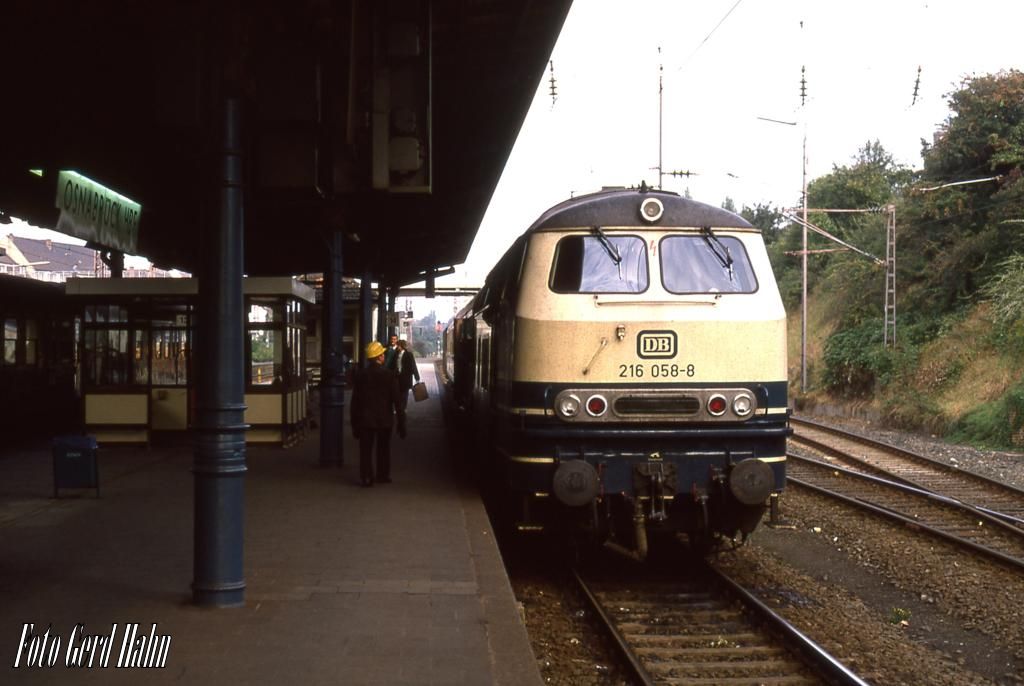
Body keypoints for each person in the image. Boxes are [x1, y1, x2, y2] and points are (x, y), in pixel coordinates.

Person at [350, 340, 403, 487]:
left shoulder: (361, 375)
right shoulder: (389, 375)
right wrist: (401, 422)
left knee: (365, 450)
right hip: (384, 419)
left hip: (365, 420)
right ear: (379, 357)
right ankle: (382, 475)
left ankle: (366, 477)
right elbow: (397, 401)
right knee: (383, 448)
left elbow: (355, 402)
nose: (384, 356)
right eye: (382, 354)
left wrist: (354, 423)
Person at [395, 339, 420, 414]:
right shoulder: (396, 354)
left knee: (404, 394)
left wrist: (417, 377)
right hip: (398, 377)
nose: (397, 347)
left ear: (401, 346)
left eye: (398, 345)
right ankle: (399, 408)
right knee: (398, 394)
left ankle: (404, 408)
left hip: (406, 377)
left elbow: (413, 366)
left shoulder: (409, 354)